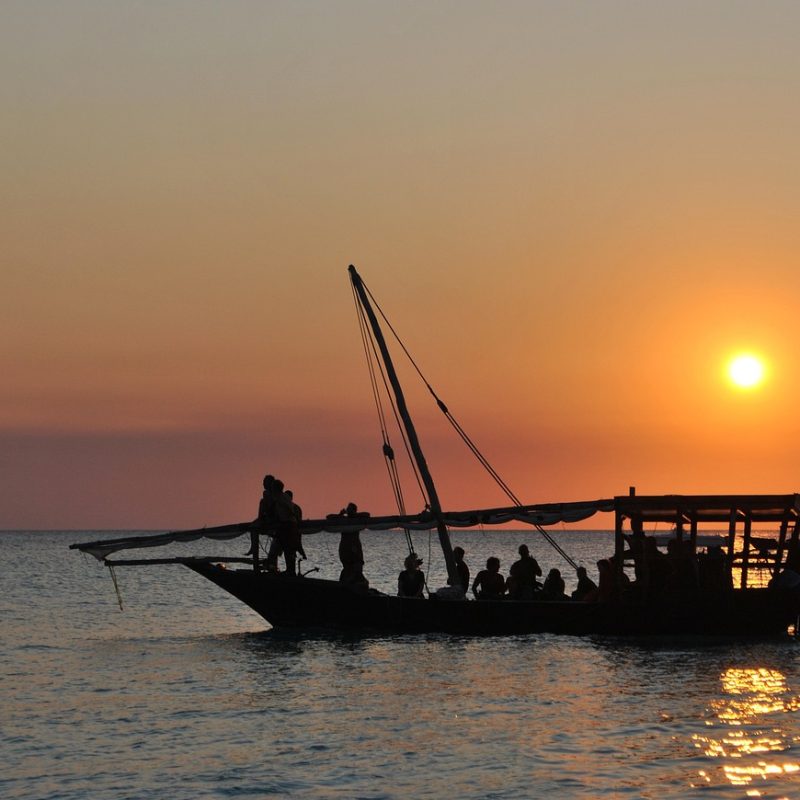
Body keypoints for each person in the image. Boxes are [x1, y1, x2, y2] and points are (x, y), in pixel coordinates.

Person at [338, 502, 369, 589]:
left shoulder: (357, 519)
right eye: (348, 509)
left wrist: (354, 515)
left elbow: (367, 514)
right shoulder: (343, 520)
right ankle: (346, 584)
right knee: (347, 567)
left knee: (357, 568)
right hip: (345, 548)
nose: (348, 511)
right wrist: (340, 514)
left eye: (350, 509)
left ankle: (358, 584)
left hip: (355, 548)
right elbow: (329, 517)